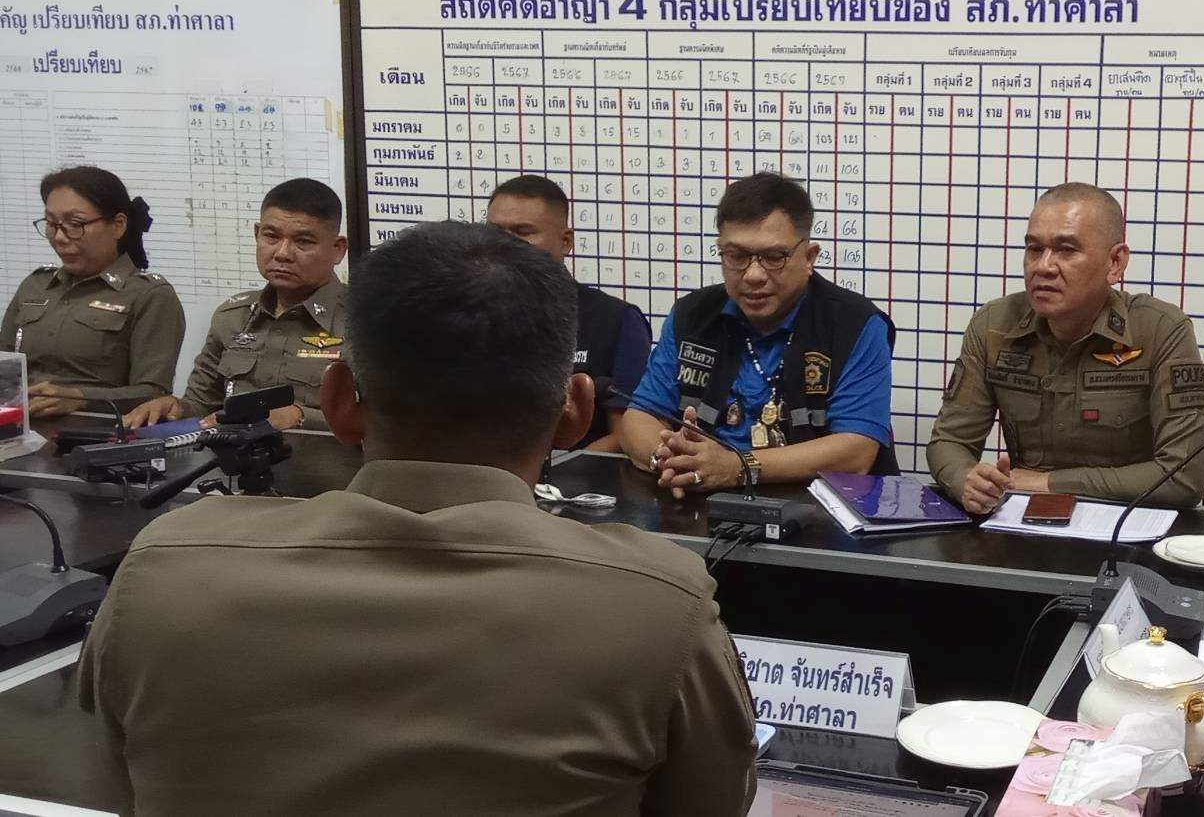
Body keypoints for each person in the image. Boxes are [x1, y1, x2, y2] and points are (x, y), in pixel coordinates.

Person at [78, 222, 758, 816]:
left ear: (339, 403)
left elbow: (115, 787)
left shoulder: (161, 572)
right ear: (575, 412)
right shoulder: (657, 607)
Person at [927, 182, 1204, 514]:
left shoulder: (1161, 330)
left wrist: (1049, 483)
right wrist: (966, 479)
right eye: (1034, 249)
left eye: (1066, 250)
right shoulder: (994, 325)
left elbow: (1185, 477)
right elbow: (949, 442)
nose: (1043, 266)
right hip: (1022, 522)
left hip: (1128, 524)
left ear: (1115, 263)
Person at [619, 172, 898, 495]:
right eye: (736, 256)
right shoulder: (691, 316)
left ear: (809, 257)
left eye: (774, 257)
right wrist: (668, 458)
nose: (753, 275)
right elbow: (638, 418)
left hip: (818, 510)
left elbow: (856, 452)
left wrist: (738, 467)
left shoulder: (856, 324)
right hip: (702, 501)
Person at [124, 178, 347, 432]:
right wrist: (176, 408)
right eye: (271, 236)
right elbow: (202, 406)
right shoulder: (233, 316)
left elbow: (380, 421)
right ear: (257, 234)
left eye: (303, 242)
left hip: (320, 458)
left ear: (338, 249)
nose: (282, 253)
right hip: (232, 458)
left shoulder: (365, 323)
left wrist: (300, 416)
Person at [1, 166, 184, 419]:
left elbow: (153, 394)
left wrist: (79, 398)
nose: (60, 237)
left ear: (118, 225)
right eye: (52, 224)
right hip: (17, 426)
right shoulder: (35, 285)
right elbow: (4, 369)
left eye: (75, 224)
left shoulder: (149, 295)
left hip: (96, 430)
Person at [486, 174, 650, 451]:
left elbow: (627, 434)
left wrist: (552, 471)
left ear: (565, 241)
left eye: (523, 232)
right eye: (495, 232)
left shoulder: (615, 320)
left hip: (574, 475)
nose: (504, 244)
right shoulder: (465, 316)